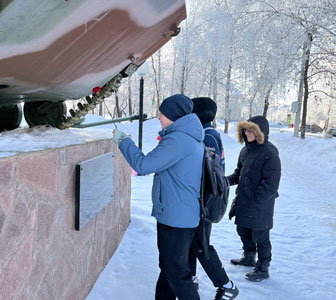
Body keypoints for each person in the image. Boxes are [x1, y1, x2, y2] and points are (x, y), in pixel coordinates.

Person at [112, 94, 203, 300]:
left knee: (177, 273)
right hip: (177, 214)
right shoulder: (185, 137)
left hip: (177, 217)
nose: (159, 117)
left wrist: (124, 142)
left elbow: (143, 166)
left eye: (163, 113)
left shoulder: (178, 140)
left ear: (174, 115)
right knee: (170, 268)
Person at [189, 97, 239, 300]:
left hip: (204, 201)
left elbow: (206, 172)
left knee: (201, 244)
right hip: (201, 199)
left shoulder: (208, 136)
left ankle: (226, 284)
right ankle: (191, 278)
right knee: (193, 242)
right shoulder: (207, 133)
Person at [227, 116, 281, 282]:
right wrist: (224, 180)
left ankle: (263, 268)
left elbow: (270, 185)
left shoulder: (270, 154)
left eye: (251, 130)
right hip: (243, 200)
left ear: (260, 132)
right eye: (245, 129)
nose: (247, 133)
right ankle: (249, 257)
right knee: (243, 230)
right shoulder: (245, 150)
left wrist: (256, 200)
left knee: (260, 237)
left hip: (260, 205)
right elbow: (239, 172)